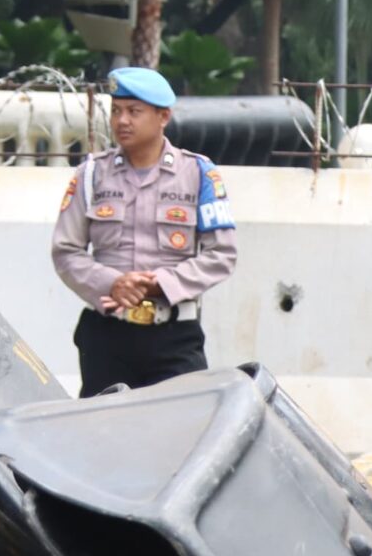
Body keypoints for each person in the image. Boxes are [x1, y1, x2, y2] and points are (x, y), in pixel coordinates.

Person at [51, 65, 238, 397]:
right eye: (116, 111)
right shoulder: (91, 175)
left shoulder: (198, 174)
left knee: (183, 422)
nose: (122, 121)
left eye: (134, 112)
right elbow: (66, 252)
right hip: (107, 335)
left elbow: (221, 254)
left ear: (163, 116)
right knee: (101, 425)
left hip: (174, 336)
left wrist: (161, 283)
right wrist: (112, 283)